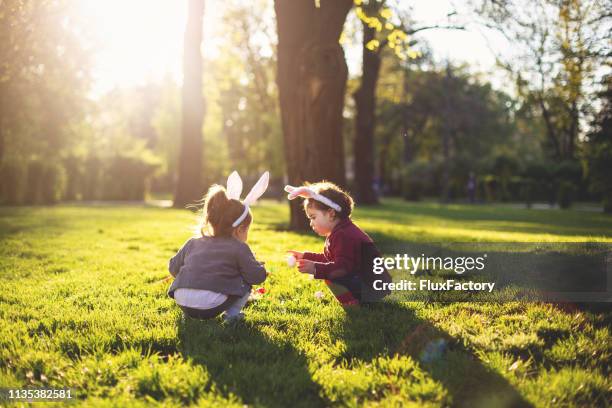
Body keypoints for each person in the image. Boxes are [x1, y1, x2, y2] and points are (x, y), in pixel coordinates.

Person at [167, 171, 269, 322]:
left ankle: (189, 314)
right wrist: (260, 269)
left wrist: (194, 276)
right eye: (247, 230)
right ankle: (232, 316)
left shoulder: (193, 242)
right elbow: (255, 277)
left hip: (181, 299)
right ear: (240, 229)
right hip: (211, 305)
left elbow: (173, 268)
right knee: (245, 281)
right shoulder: (239, 247)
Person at [286, 182, 390, 306]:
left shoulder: (344, 235)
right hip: (369, 282)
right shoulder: (339, 232)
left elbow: (342, 267)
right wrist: (305, 256)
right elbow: (328, 259)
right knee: (329, 271)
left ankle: (354, 302)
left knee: (331, 274)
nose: (311, 223)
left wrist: (315, 268)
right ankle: (354, 300)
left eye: (313, 217)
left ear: (331, 214)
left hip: (373, 286)